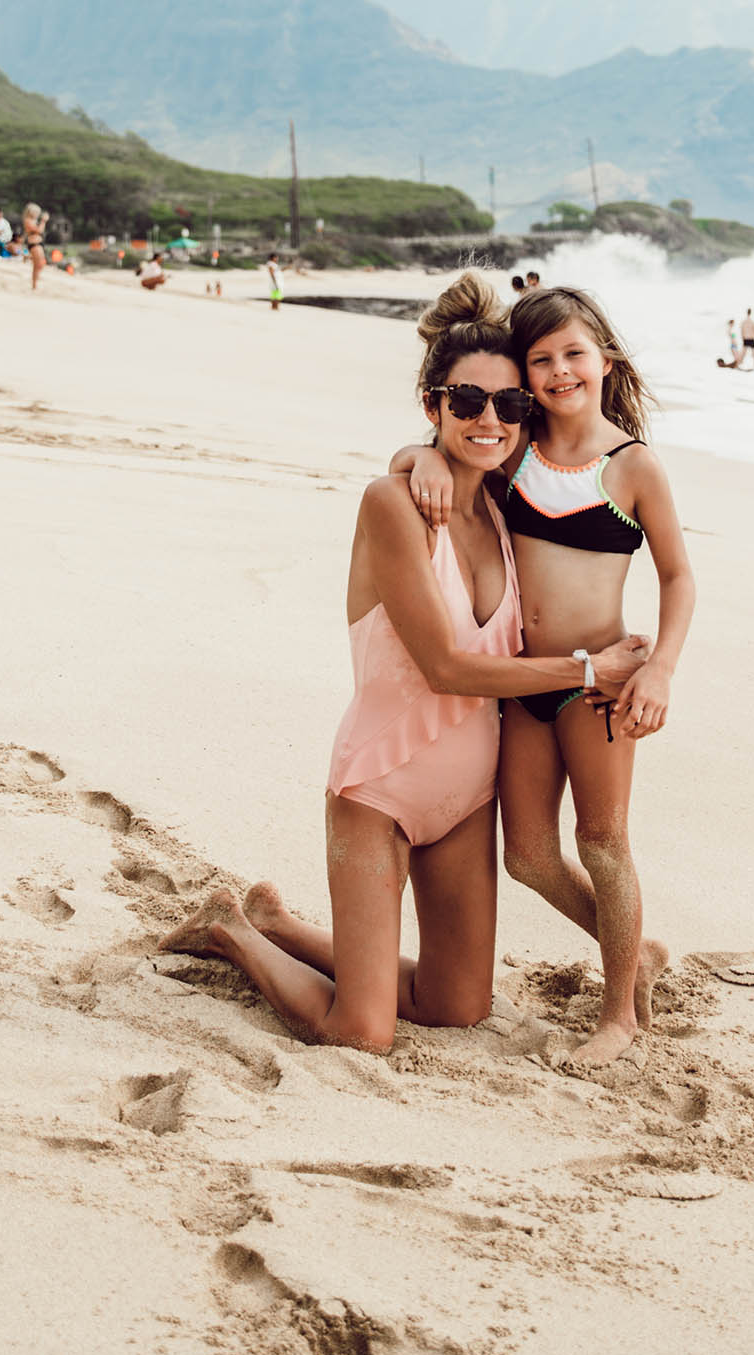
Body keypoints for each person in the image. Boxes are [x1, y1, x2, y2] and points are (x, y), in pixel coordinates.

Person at [156, 274, 649, 1054]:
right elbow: (447, 669)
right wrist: (590, 671)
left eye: (510, 404)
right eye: (467, 402)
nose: (490, 419)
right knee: (363, 1031)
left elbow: (582, 493)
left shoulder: (506, 502)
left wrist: (426, 452)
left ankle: (278, 922)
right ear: (433, 405)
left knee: (457, 1007)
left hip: (467, 799)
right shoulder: (392, 505)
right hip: (380, 788)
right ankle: (231, 931)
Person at [394, 284, 696, 1068]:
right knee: (527, 856)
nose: (561, 371)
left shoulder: (632, 466)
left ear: (606, 360)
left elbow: (678, 578)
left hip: (602, 686)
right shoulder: (516, 449)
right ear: (524, 375)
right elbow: (441, 446)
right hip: (528, 681)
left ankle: (618, 1015)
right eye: (542, 359)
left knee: (602, 842)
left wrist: (660, 671)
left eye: (574, 354)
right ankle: (634, 951)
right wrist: (418, 455)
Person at [22, 203, 49, 290]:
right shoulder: (28, 220)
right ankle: (34, 285)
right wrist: (43, 221)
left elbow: (41, 230)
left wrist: (42, 222)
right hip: (34, 244)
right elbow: (39, 230)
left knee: (41, 264)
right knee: (37, 264)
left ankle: (35, 282)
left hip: (39, 243)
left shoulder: (34, 221)